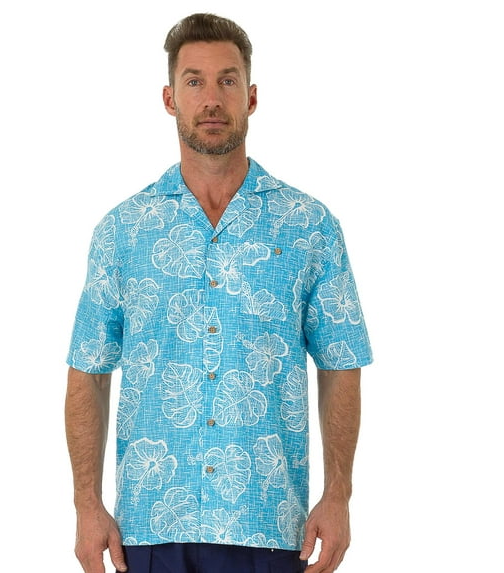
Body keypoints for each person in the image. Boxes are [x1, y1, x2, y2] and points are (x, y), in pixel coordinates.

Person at [65, 12, 372, 573]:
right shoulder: (123, 231)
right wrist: (87, 504)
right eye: (195, 81)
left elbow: (341, 363)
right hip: (149, 528)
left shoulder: (309, 226)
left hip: (270, 526)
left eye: (228, 80)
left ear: (251, 97)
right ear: (169, 98)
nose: (211, 99)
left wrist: (339, 495)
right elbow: (88, 370)